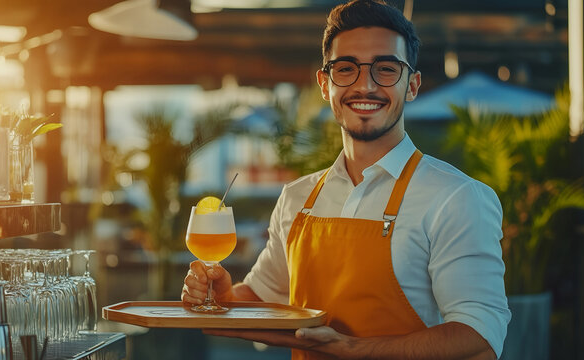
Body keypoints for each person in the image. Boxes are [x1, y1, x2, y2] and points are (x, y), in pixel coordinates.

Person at [182, 0, 511, 359]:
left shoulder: (457, 198)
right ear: (325, 84)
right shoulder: (297, 197)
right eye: (346, 68)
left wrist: (351, 349)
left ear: (412, 85)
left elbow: (478, 332)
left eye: (386, 69)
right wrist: (225, 296)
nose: (365, 85)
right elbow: (264, 297)